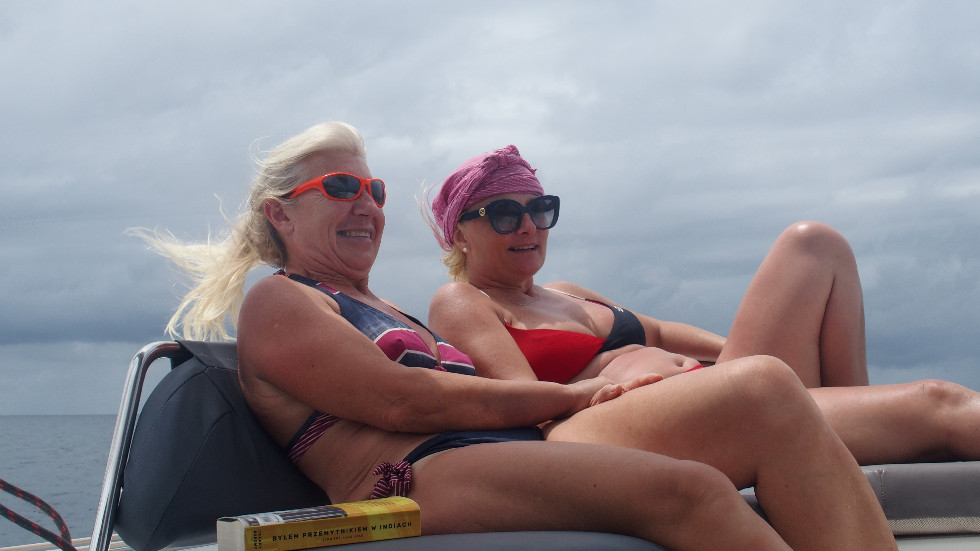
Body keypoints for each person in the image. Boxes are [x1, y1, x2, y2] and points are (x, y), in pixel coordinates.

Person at [132, 122, 896, 551]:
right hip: (411, 476)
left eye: (374, 189)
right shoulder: (280, 300)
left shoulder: (383, 307)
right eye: (339, 188)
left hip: (493, 450)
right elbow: (404, 401)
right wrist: (580, 394)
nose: (366, 204)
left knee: (761, 396)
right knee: (690, 490)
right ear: (280, 214)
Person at [424, 144, 980, 467]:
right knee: (937, 403)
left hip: (720, 389)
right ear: (460, 235)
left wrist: (745, 359)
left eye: (540, 209)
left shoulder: (569, 291)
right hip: (632, 425)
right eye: (504, 214)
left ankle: (849, 422)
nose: (528, 225)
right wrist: (598, 387)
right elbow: (522, 404)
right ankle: (857, 431)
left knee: (815, 244)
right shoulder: (462, 300)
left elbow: (662, 332)